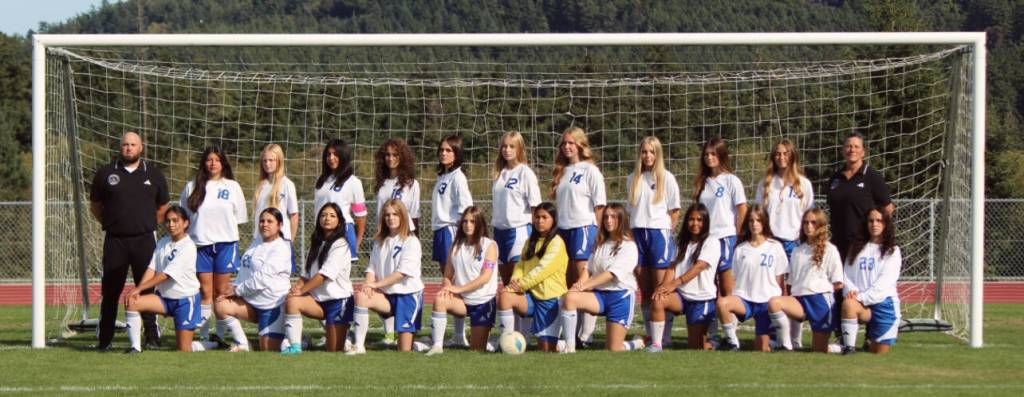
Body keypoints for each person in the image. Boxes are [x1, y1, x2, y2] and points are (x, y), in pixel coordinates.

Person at [90, 131, 169, 350]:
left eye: (133, 144)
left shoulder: (154, 174)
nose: (129, 148)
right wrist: (113, 222)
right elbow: (96, 207)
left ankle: (152, 337)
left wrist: (144, 224)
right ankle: (104, 340)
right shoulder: (105, 174)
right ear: (120, 147)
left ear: (141, 147)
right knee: (111, 291)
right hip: (116, 241)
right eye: (125, 144)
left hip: (144, 241)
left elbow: (162, 208)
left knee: (146, 291)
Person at [825, 133, 894, 344]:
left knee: (865, 287)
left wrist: (875, 235)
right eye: (848, 146)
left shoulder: (871, 176)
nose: (851, 150)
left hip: (863, 245)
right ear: (843, 150)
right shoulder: (836, 178)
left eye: (856, 147)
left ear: (863, 151)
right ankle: (842, 334)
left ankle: (870, 334)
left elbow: (887, 208)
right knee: (839, 288)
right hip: (839, 244)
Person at [180, 146, 247, 344]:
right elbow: (184, 218)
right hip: (200, 246)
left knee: (221, 292)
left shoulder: (233, 186)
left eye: (217, 160)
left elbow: (239, 218)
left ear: (223, 163)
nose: (213, 163)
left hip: (225, 245)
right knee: (205, 292)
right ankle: (203, 336)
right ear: (203, 162)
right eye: (209, 159)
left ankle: (220, 335)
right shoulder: (192, 187)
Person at [560, 204, 645, 353]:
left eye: (613, 217)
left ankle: (636, 343)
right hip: (600, 296)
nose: (608, 220)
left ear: (622, 219)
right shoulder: (600, 243)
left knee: (613, 349)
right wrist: (578, 284)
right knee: (570, 298)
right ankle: (569, 347)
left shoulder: (629, 246)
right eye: (606, 217)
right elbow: (589, 268)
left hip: (620, 297)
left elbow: (611, 274)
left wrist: (585, 286)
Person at [755, 138, 814, 348]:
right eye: (778, 153)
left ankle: (795, 339)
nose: (781, 157)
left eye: (785, 154)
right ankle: (778, 337)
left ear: (792, 156)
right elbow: (759, 214)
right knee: (773, 290)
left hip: (795, 243)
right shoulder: (766, 182)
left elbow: (809, 215)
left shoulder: (803, 184)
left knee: (795, 290)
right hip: (772, 242)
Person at [552, 126, 607, 346]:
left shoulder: (590, 171)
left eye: (571, 143)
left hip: (584, 228)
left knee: (583, 279)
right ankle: (570, 333)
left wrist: (600, 233)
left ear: (580, 145)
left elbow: (600, 204)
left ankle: (586, 334)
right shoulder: (562, 171)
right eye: (564, 143)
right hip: (564, 230)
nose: (567, 146)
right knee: (567, 280)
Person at [349, 199, 425, 354]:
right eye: (387, 215)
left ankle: (421, 345)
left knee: (404, 350)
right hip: (387, 296)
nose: (390, 218)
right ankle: (359, 346)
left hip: (407, 296)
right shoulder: (379, 241)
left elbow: (402, 273)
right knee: (362, 296)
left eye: (395, 214)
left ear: (403, 216)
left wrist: (376, 285)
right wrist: (368, 284)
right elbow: (371, 268)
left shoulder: (411, 241)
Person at [626, 136, 681, 348]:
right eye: (644, 151)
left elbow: (674, 212)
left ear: (657, 154)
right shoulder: (633, 178)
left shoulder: (667, 178)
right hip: (638, 234)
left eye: (651, 152)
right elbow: (632, 211)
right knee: (645, 290)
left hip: (659, 234)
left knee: (661, 289)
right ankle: (651, 334)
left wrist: (666, 233)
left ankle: (664, 337)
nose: (647, 156)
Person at [214, 208, 292, 352]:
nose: (265, 224)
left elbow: (263, 279)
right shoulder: (256, 241)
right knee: (221, 304)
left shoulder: (281, 248)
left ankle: (298, 338)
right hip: (251, 303)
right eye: (262, 221)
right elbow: (245, 269)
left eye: (270, 221)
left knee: (268, 349)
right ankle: (243, 344)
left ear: (280, 225)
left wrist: (237, 290)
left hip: (272, 305)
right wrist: (234, 285)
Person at [123, 205, 199, 353]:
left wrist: (139, 288)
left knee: (183, 350)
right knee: (132, 301)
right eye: (168, 221)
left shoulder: (188, 246)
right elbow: (151, 269)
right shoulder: (163, 242)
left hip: (185, 300)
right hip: (164, 299)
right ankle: (135, 348)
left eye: (176, 220)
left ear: (186, 223)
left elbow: (166, 275)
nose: (171, 224)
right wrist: (136, 291)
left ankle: (211, 344)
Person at [715, 204, 789, 352]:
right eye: (751, 221)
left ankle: (783, 343)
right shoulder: (740, 248)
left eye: (758, 220)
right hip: (745, 299)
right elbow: (734, 278)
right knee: (722, 304)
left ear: (765, 222)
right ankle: (732, 342)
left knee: (761, 349)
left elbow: (780, 281)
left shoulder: (775, 247)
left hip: (766, 302)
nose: (754, 224)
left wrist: (780, 301)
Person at [281, 203, 353, 355]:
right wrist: (296, 288)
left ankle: (346, 338)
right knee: (291, 300)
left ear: (339, 221)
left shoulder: (341, 244)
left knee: (333, 351)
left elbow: (324, 276)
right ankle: (296, 346)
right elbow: (306, 274)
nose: (327, 218)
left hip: (338, 301)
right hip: (318, 301)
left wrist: (302, 291)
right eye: (323, 215)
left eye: (332, 216)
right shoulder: (316, 241)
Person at [767, 208, 843, 352]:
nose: (809, 226)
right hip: (800, 302)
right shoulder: (797, 251)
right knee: (774, 302)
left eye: (813, 223)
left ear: (821, 225)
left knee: (818, 350)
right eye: (806, 223)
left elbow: (838, 283)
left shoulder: (830, 249)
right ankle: (785, 344)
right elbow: (791, 283)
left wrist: (819, 291)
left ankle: (837, 348)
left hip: (820, 301)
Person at [647, 203, 720, 352]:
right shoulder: (682, 242)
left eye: (699, 220)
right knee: (658, 299)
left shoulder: (712, 241)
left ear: (705, 222)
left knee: (695, 347)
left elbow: (699, 267)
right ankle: (657, 345)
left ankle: (714, 340)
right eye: (691, 219)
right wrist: (663, 287)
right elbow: (673, 266)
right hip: (682, 296)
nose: (695, 223)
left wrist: (675, 283)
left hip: (701, 298)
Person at [426, 206, 499, 355]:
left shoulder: (489, 245)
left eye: (472, 221)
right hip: (463, 302)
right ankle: (437, 346)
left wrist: (458, 289)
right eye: (465, 221)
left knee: (476, 350)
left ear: (480, 223)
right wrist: (447, 287)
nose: (468, 224)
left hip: (483, 301)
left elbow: (485, 277)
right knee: (440, 298)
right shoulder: (456, 246)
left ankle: (491, 342)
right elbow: (447, 275)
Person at [497, 202, 568, 353]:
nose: (540, 221)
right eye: (537, 217)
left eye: (544, 217)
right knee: (505, 295)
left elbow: (541, 271)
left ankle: (563, 345)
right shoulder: (530, 241)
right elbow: (520, 265)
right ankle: (506, 342)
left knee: (546, 350)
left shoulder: (557, 243)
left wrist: (520, 286)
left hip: (550, 300)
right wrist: (514, 279)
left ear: (553, 220)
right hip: (531, 297)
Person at [373, 138, 421, 345]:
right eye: (387, 155)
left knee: (401, 279)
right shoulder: (382, 184)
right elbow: (379, 215)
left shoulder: (411, 183)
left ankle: (409, 335)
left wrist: (413, 239)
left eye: (395, 155)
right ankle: (389, 334)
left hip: (404, 237)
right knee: (384, 274)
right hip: (385, 236)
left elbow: (415, 214)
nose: (391, 159)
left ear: (403, 158)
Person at [431, 134, 474, 346]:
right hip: (440, 230)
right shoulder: (443, 177)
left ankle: (462, 333)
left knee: (455, 280)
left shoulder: (458, 177)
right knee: (448, 280)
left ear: (457, 153)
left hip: (450, 230)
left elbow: (466, 208)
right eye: (441, 150)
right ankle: (457, 334)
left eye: (448, 150)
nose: (443, 153)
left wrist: (461, 237)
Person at [840, 207, 902, 355]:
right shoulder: (856, 248)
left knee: (878, 354)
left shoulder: (892, 251)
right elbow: (846, 276)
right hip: (861, 304)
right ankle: (849, 350)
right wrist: (851, 293)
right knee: (848, 304)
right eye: (871, 220)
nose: (874, 224)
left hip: (884, 305)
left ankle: (870, 342)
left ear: (886, 224)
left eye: (879, 220)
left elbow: (883, 285)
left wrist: (860, 297)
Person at [694, 137, 746, 298]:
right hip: (707, 239)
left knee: (727, 288)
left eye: (713, 154)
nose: (709, 158)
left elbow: (742, 210)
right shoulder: (702, 182)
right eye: (707, 154)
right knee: (708, 287)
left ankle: (730, 321)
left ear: (721, 155)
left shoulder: (731, 180)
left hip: (725, 237)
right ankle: (712, 322)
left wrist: (739, 237)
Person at [492, 131, 543, 286]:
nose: (507, 150)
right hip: (499, 232)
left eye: (511, 146)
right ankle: (509, 311)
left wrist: (536, 235)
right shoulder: (499, 174)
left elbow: (536, 206)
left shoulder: (525, 173)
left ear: (519, 148)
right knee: (506, 282)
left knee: (518, 282)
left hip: (518, 231)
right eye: (504, 146)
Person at [313, 139, 367, 259]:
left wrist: (357, 242)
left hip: (342, 233)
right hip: (321, 234)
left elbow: (361, 215)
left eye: (335, 154)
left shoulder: (353, 182)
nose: (331, 158)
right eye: (328, 154)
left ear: (343, 156)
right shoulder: (320, 181)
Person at [252, 144, 299, 243]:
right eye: (264, 160)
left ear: (279, 161)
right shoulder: (261, 185)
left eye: (271, 160)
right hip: (260, 239)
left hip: (280, 240)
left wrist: (290, 240)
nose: (267, 164)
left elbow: (294, 215)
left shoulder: (287, 184)